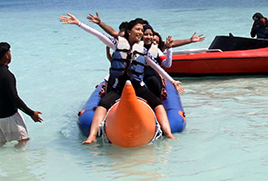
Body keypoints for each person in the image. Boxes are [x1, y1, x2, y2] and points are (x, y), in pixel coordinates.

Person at [60, 13, 183, 144]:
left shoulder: (143, 51)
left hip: (136, 86)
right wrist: (79, 23)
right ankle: (92, 136)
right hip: (118, 86)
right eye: (138, 29)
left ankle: (168, 134)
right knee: (103, 104)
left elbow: (157, 67)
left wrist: (172, 81)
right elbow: (97, 34)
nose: (140, 32)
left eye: (142, 30)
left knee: (158, 103)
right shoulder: (116, 44)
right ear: (129, 31)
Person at [0, 42, 43, 145]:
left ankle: (1, 161)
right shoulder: (7, 76)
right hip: (10, 117)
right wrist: (31, 113)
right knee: (23, 141)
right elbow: (15, 99)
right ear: (6, 55)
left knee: (2, 144)